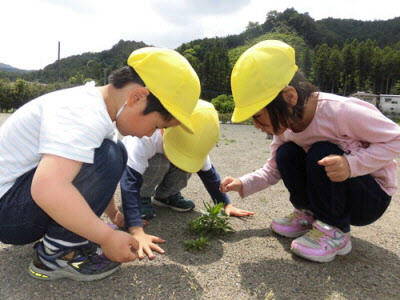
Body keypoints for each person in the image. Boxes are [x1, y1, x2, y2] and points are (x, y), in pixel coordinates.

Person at [0, 46, 201, 281]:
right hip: (10, 215)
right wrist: (106, 236)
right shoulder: (82, 113)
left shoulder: (94, 110)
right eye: (157, 126)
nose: (150, 134)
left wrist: (114, 215)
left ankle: (63, 240)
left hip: (15, 205)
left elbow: (87, 178)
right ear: (137, 97)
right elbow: (48, 188)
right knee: (110, 154)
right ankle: (59, 253)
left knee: (113, 151)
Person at [220, 40, 400, 263]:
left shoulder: (341, 111)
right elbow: (273, 169)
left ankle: (336, 231)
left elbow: (396, 138)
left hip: (369, 198)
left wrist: (352, 165)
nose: (256, 125)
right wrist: (243, 182)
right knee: (286, 153)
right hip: (335, 193)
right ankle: (311, 215)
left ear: (289, 97)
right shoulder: (286, 127)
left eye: (257, 115)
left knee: (321, 151)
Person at [119, 100, 254, 258]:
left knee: (187, 164)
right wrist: (136, 230)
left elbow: (209, 176)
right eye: (178, 152)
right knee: (160, 162)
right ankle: (142, 198)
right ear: (164, 131)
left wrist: (226, 204)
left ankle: (166, 196)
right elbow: (129, 182)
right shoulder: (145, 138)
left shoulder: (193, 143)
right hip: (134, 170)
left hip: (156, 164)